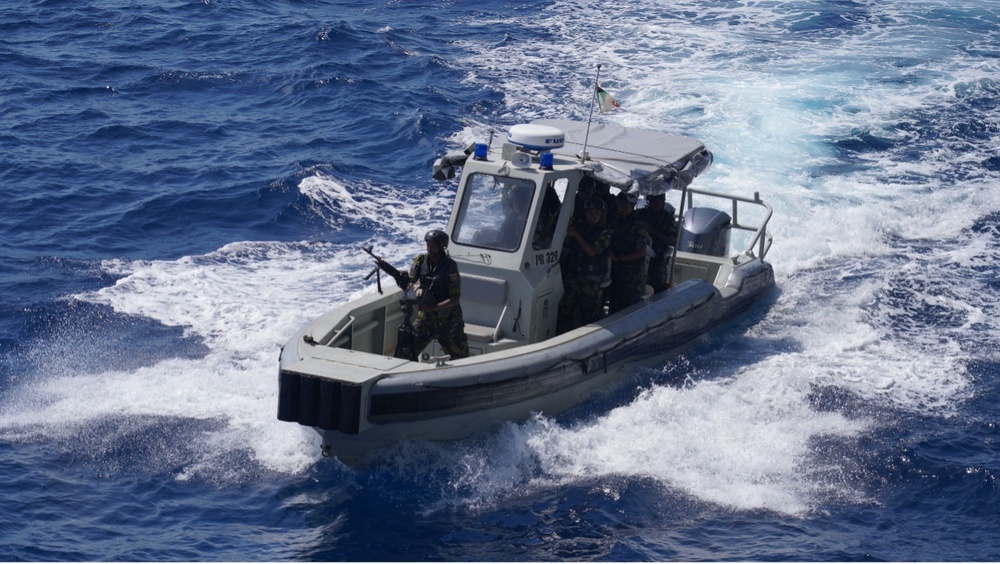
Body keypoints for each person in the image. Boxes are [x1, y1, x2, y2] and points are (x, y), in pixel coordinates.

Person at [405, 229, 469, 360]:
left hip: (449, 320)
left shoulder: (450, 266)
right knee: (408, 350)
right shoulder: (421, 261)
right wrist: (404, 279)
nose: (429, 249)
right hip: (426, 319)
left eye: (433, 246)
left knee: (460, 359)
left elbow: (454, 300)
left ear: (441, 247)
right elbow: (410, 284)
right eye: (428, 245)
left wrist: (432, 308)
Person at [557, 198, 612, 333]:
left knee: (589, 316)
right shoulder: (579, 226)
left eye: (596, 213)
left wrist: (575, 234)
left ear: (601, 214)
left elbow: (592, 251)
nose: (592, 215)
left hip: (591, 279)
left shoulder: (605, 232)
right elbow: (565, 244)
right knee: (563, 310)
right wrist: (566, 229)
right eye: (590, 212)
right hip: (574, 275)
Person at [607, 190, 651, 314]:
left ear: (632, 206)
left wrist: (620, 258)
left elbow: (641, 252)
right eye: (621, 205)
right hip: (616, 270)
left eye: (626, 205)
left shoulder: (638, 225)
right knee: (614, 305)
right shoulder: (616, 221)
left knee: (629, 309)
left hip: (632, 274)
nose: (623, 208)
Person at [636, 193, 677, 294]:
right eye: (653, 202)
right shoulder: (639, 214)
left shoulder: (668, 218)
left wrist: (652, 230)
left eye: (658, 202)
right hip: (636, 254)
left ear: (662, 203)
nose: (655, 204)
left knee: (660, 284)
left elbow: (672, 241)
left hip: (657, 257)